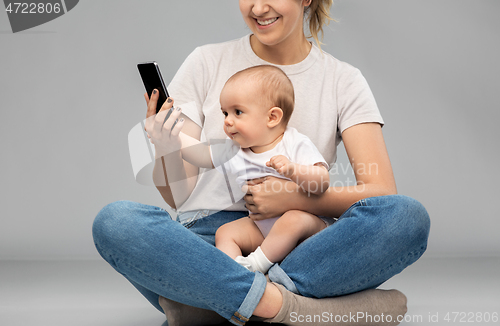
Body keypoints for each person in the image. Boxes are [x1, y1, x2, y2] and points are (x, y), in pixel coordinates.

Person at [92, 1, 431, 325]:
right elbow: (177, 196)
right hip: (212, 247)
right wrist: (167, 150)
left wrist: (294, 199)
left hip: (304, 247)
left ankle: (216, 305)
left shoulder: (343, 80)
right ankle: (285, 307)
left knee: (407, 217)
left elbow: (381, 192)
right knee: (116, 222)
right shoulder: (205, 62)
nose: (257, 8)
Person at [176, 64, 334, 274]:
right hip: (263, 228)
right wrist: (170, 137)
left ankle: (256, 266)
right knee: (225, 233)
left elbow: (322, 182)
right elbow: (199, 154)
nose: (227, 121)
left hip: (307, 228)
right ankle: (236, 276)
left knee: (292, 220)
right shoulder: (234, 149)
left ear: (272, 117)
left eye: (237, 112)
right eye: (225, 113)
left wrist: (293, 170)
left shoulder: (294, 143)